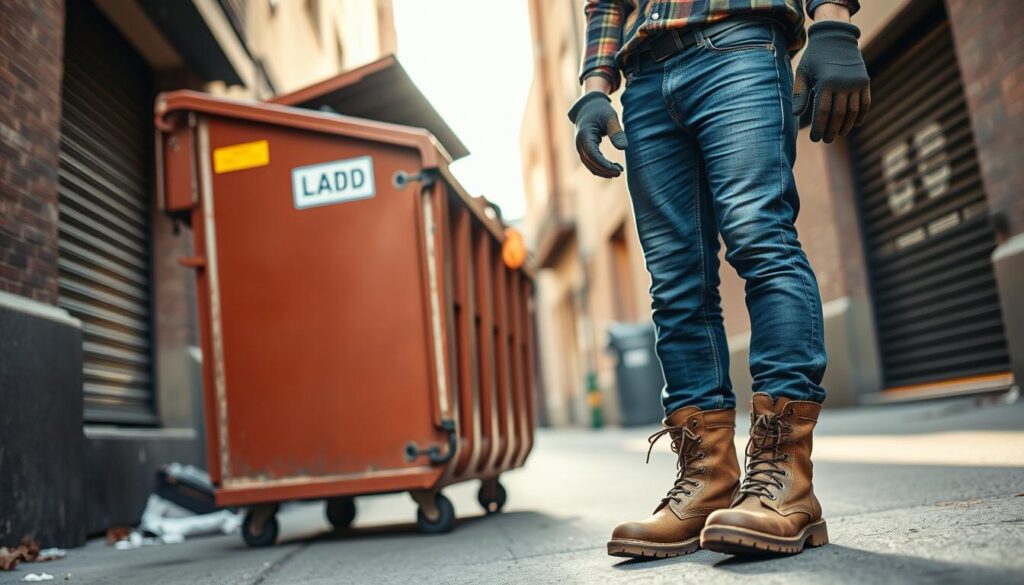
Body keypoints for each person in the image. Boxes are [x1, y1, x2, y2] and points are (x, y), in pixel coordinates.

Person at [568, 0, 870, 558]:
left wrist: (832, 23)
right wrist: (594, 85)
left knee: (761, 238)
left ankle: (787, 482)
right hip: (644, 78)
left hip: (738, 42)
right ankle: (706, 481)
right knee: (675, 284)